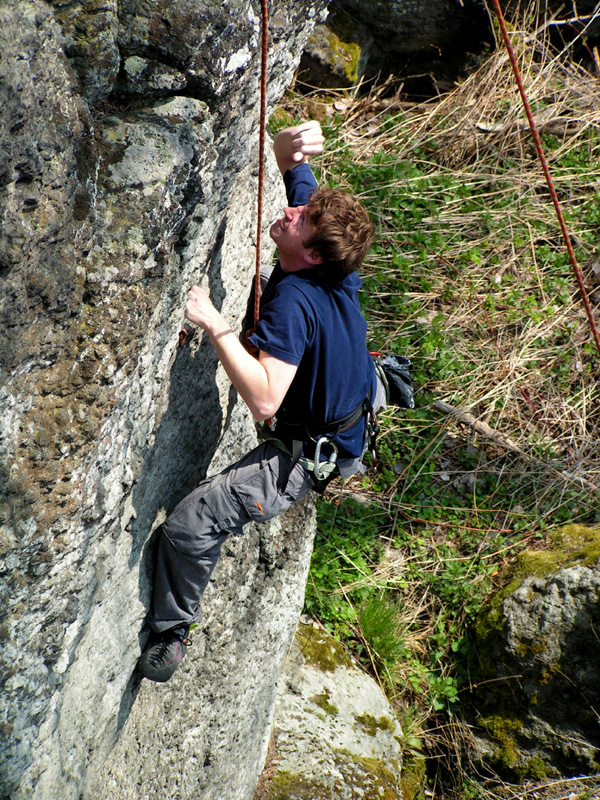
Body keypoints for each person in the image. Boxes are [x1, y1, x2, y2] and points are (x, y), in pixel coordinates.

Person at [138, 121, 384, 682]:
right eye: (304, 209)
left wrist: (214, 323)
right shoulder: (325, 257)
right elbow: (294, 173)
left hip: (305, 453)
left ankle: (172, 631)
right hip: (343, 415)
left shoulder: (295, 299)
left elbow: (265, 400)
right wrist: (291, 148)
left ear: (314, 256)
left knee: (189, 527)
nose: (292, 212)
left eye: (303, 219)